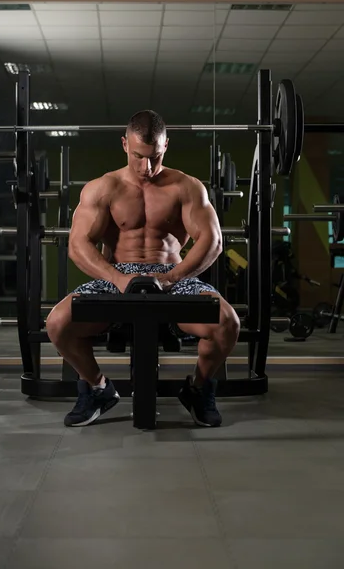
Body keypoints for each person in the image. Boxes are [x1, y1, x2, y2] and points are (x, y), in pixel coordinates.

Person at [46, 110, 240, 428]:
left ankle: (198, 389)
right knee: (57, 323)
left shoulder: (187, 188)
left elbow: (213, 241)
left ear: (166, 146)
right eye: (138, 156)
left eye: (155, 156)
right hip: (117, 275)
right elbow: (78, 245)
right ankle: (98, 389)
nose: (146, 167)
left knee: (227, 323)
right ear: (125, 144)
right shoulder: (102, 188)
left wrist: (171, 278)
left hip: (173, 276)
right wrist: (118, 278)